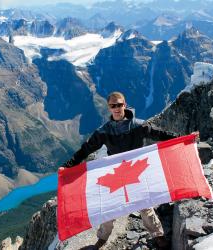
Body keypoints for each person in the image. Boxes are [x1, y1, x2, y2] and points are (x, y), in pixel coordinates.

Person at [60, 91, 181, 249]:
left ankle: (158, 235)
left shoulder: (138, 125)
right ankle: (102, 239)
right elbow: (86, 149)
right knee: (109, 208)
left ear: (125, 105)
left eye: (119, 104)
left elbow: (159, 134)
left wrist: (181, 138)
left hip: (136, 172)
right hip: (117, 174)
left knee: (145, 205)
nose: (116, 108)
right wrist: (68, 166)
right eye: (113, 105)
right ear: (109, 108)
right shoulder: (104, 131)